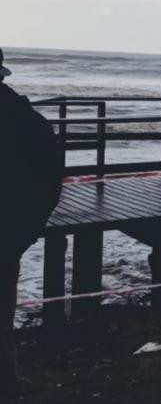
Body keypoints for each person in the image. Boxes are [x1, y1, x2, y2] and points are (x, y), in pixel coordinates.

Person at [0, 48, 63, 399]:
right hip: (8, 239)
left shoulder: (25, 122)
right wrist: (22, 235)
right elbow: (48, 183)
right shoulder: (29, 121)